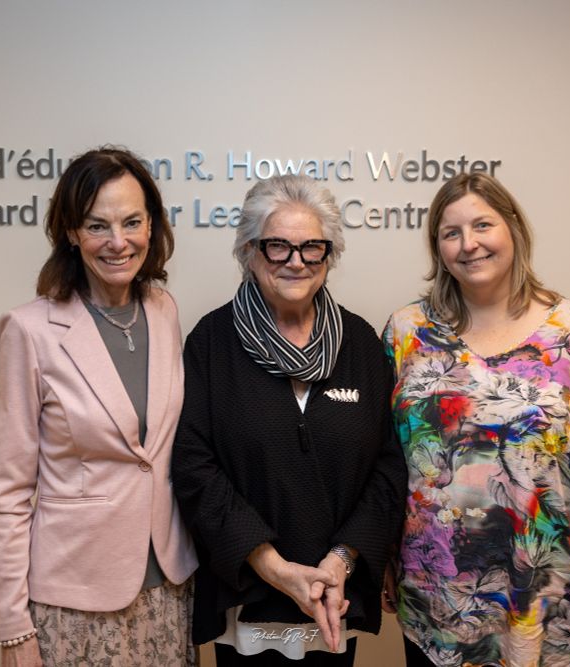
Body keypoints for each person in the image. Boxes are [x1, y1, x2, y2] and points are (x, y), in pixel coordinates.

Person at [383, 172, 570, 667]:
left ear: (513, 228)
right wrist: (380, 557)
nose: (468, 244)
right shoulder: (408, 332)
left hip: (551, 603)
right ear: (438, 248)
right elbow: (383, 459)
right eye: (451, 233)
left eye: (482, 226)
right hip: (437, 603)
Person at [171, 174, 407, 665]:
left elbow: (388, 467)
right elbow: (194, 466)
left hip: (333, 597)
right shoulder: (211, 343)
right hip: (248, 597)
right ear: (249, 251)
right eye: (278, 246)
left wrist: (340, 562)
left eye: (312, 248)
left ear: (330, 254)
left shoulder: (361, 344)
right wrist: (275, 568)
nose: (296, 261)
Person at [0, 147, 197, 667]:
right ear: (71, 233)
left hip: (169, 588)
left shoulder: (163, 310)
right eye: (97, 226)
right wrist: (14, 628)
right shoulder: (29, 330)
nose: (118, 242)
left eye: (132, 222)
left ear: (153, 225)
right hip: (75, 602)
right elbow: (9, 490)